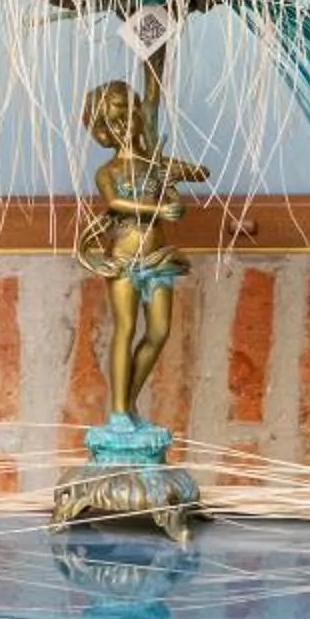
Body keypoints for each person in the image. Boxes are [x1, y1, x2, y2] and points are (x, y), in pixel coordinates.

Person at [71, 77, 205, 431]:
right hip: (124, 259)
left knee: (159, 331)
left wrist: (172, 187)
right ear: (102, 131)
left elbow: (198, 175)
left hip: (158, 257)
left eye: (129, 116)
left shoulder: (153, 166)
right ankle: (118, 412)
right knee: (125, 328)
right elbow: (114, 203)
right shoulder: (108, 172)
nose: (124, 126)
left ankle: (128, 401)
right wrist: (158, 210)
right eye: (113, 122)